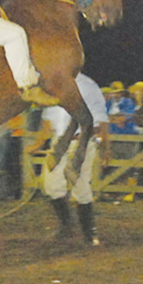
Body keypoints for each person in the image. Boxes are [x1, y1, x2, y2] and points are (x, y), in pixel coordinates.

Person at [37, 73, 110, 246]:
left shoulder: (88, 86)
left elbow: (101, 119)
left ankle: (89, 232)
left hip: (82, 142)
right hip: (60, 142)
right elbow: (48, 120)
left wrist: (105, 146)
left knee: (81, 185)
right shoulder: (53, 84)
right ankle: (67, 225)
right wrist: (38, 144)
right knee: (50, 185)